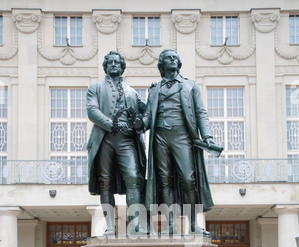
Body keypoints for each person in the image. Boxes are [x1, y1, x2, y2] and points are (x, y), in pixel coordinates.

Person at [142, 48, 217, 235]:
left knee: (188, 179)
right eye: (169, 58)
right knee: (164, 180)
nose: (173, 59)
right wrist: (137, 124)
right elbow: (147, 117)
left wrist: (207, 135)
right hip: (160, 136)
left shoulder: (191, 86)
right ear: (162, 64)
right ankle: (169, 225)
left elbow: (201, 112)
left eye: (176, 57)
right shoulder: (154, 89)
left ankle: (192, 224)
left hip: (182, 135)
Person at [86, 51, 146, 236]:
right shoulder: (95, 88)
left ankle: (135, 223)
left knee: (133, 178)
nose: (113, 64)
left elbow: (145, 114)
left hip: (126, 141)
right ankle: (110, 226)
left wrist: (140, 120)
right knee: (105, 183)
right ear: (105, 66)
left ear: (122, 67)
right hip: (105, 139)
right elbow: (92, 111)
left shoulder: (132, 92)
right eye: (110, 62)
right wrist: (111, 123)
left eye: (117, 62)